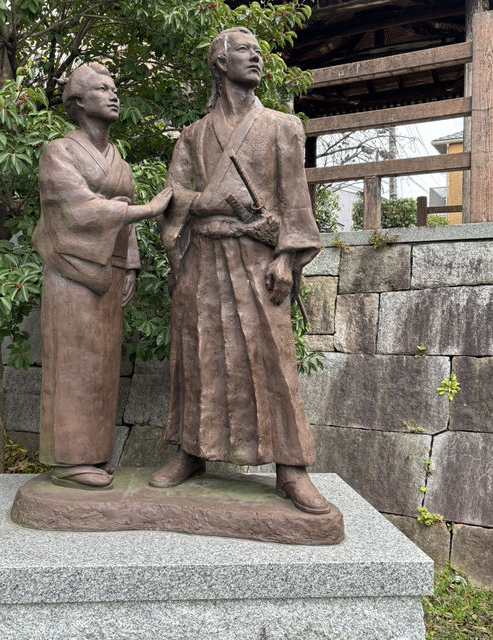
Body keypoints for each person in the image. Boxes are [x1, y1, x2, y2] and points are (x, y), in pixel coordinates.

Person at [150, 28, 330, 514]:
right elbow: (172, 201)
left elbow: (295, 200)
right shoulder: (192, 137)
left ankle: (291, 469)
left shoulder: (281, 126)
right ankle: (191, 451)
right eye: (244, 51)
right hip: (202, 259)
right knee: (197, 355)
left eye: (258, 52)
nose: (256, 58)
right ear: (219, 64)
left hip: (256, 258)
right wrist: (206, 201)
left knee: (272, 358)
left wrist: (287, 257)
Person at [33, 63, 172, 489]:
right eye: (102, 89)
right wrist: (149, 210)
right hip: (71, 272)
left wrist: (130, 264)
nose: (113, 95)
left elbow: (120, 219)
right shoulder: (59, 151)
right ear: (78, 101)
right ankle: (68, 460)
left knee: (102, 365)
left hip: (109, 273)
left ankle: (93, 454)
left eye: (115, 88)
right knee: (73, 363)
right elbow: (78, 208)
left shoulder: (118, 158)